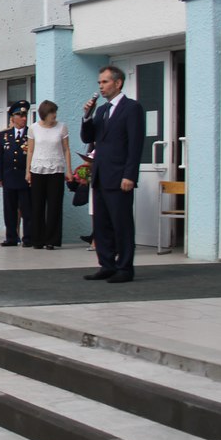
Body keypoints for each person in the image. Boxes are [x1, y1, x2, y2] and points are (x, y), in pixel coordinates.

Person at [82, 66, 146, 283]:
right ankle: (107, 265)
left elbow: (135, 144)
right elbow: (88, 138)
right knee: (101, 225)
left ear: (118, 83)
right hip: (101, 175)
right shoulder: (101, 110)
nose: (101, 86)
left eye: (105, 82)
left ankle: (125, 268)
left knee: (122, 224)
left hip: (120, 176)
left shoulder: (132, 108)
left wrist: (130, 175)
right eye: (99, 83)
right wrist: (87, 116)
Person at [27, 100, 75, 251]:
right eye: (51, 112)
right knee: (37, 205)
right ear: (44, 114)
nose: (54, 115)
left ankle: (52, 240)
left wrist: (69, 170)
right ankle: (37, 239)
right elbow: (30, 150)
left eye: (55, 112)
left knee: (54, 205)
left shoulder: (62, 127)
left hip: (56, 170)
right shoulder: (33, 128)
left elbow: (66, 149)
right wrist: (27, 171)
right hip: (38, 170)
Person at [0, 101, 32, 247]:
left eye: (25, 115)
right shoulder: (4, 135)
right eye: (20, 115)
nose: (24, 118)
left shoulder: (31, 134)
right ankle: (11, 237)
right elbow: (0, 157)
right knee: (9, 209)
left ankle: (28, 238)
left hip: (25, 177)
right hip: (9, 176)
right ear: (12, 117)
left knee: (27, 209)